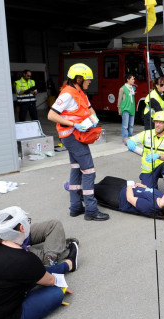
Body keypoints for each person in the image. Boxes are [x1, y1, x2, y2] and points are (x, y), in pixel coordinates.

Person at [47, 63, 109, 221]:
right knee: (89, 172)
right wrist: (75, 124)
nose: (90, 82)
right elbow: (51, 115)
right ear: (79, 79)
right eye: (88, 79)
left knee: (76, 169)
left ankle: (75, 207)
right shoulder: (67, 94)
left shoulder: (80, 92)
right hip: (72, 136)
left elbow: (90, 109)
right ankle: (91, 210)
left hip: (77, 136)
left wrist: (94, 121)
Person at [0, 217, 78, 267]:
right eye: (27, 221)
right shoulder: (11, 251)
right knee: (42, 254)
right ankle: (52, 258)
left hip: (17, 237)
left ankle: (57, 244)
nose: (28, 223)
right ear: (21, 228)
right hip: (15, 250)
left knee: (54, 224)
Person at [125, 111, 164, 194]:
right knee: (149, 194)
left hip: (161, 167)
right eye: (156, 122)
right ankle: (153, 187)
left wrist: (158, 155)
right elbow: (126, 139)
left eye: (160, 122)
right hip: (148, 170)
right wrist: (128, 141)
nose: (157, 124)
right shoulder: (146, 133)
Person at [94, 176, 164, 217]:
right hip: (125, 187)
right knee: (106, 179)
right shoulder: (162, 196)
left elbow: (130, 199)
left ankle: (80, 192)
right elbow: (149, 190)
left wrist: (129, 185)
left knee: (93, 188)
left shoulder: (150, 206)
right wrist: (144, 186)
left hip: (118, 196)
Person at [117, 74, 136, 141]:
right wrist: (119, 108)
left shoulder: (132, 88)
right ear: (128, 80)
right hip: (125, 108)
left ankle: (130, 138)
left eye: (133, 79)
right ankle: (125, 139)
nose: (133, 80)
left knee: (131, 125)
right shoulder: (122, 88)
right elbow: (119, 99)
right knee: (125, 126)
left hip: (132, 108)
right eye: (132, 79)